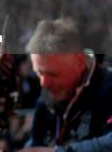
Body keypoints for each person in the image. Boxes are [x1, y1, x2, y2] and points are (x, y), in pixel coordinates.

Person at [20, 18, 112, 152]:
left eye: (53, 74)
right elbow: (36, 142)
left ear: (80, 62)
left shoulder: (107, 88)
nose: (44, 83)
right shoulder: (48, 93)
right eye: (39, 73)